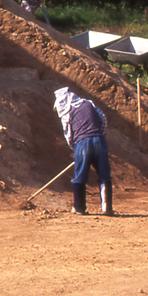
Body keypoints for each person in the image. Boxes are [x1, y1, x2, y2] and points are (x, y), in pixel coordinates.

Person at [54, 86, 112, 215]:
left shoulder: (66, 112)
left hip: (82, 143)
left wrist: (76, 149)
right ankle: (106, 208)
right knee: (104, 174)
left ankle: (79, 208)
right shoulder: (88, 103)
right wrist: (100, 134)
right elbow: (102, 118)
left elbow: (68, 134)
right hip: (99, 140)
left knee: (80, 176)